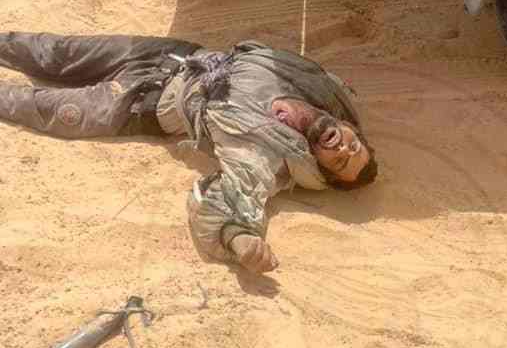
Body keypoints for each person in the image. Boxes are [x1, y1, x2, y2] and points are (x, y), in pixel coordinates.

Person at [0, 31, 378, 273]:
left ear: (320, 168)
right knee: (52, 53)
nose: (343, 148)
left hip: (139, 103)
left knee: (38, 107)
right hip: (171, 54)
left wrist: (238, 240)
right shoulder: (323, 90)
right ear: (352, 129)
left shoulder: (270, 158)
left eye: (339, 162)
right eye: (354, 146)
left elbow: (229, 202)